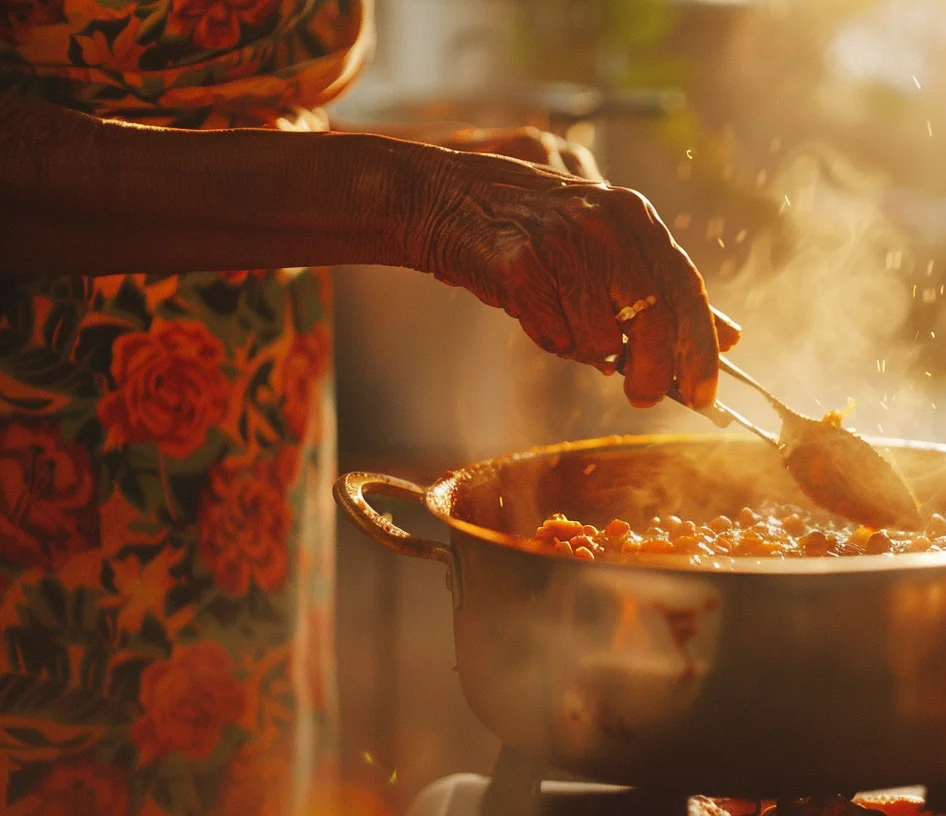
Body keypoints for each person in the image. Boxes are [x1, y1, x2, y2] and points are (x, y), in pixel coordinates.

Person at [0, 0, 735, 812]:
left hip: (251, 439)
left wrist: (454, 163)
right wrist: (408, 198)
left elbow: (224, 86)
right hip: (39, 461)